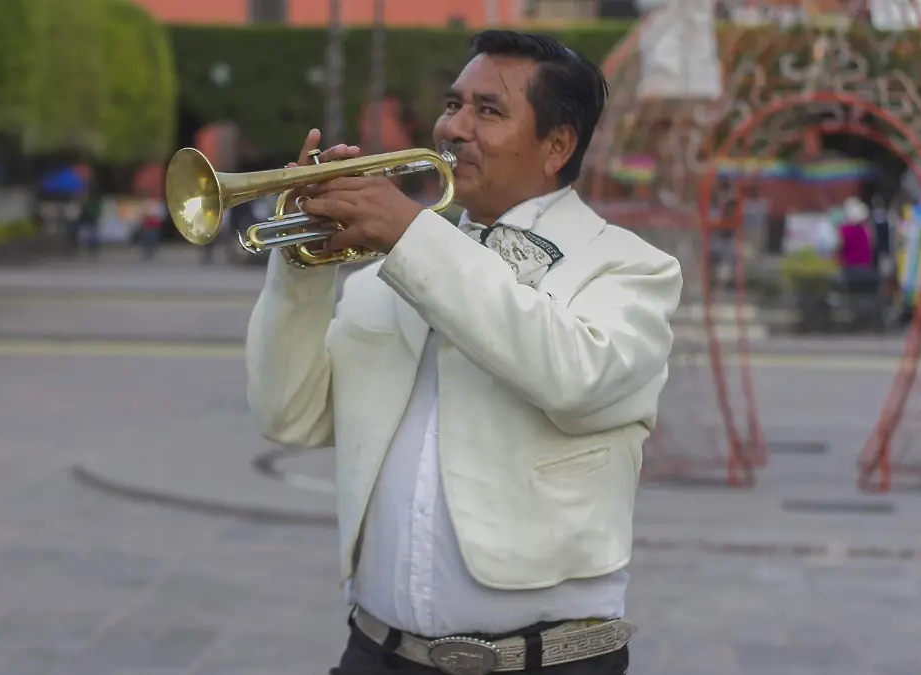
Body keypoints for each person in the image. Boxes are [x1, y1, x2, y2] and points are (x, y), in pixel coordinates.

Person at [246, 31, 683, 675]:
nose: (453, 127)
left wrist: (411, 236)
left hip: (546, 662)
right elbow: (289, 415)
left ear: (558, 145)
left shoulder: (629, 269)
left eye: (489, 110)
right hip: (375, 652)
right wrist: (301, 267)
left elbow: (574, 377)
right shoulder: (380, 278)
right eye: (454, 105)